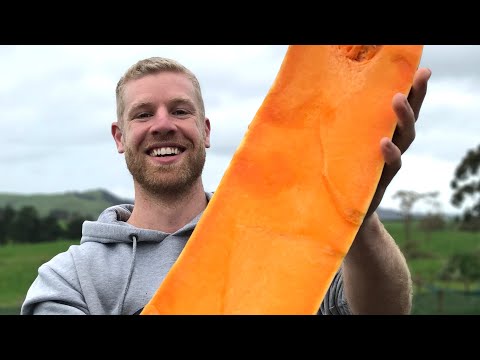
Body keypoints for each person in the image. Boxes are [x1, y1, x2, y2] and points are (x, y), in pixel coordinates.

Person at [20, 53, 431, 315]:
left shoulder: (281, 243)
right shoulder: (69, 280)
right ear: (119, 137)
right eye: (143, 114)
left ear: (206, 131)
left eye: (180, 111)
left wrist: (357, 214)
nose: (163, 125)